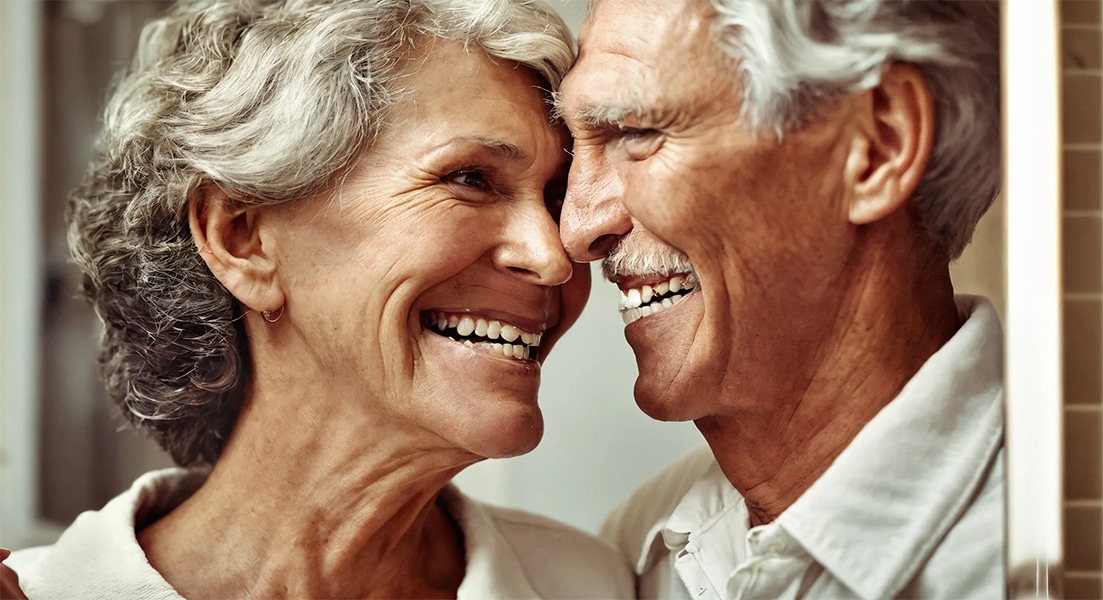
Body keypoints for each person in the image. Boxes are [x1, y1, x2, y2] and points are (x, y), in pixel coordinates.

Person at [5, 0, 634, 597]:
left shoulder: (593, 584)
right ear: (240, 237)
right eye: (469, 179)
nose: (554, 257)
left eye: (556, 200)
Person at [556, 0, 1003, 598]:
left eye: (637, 133)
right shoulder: (639, 551)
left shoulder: (1087, 543)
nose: (575, 229)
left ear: (877, 144)